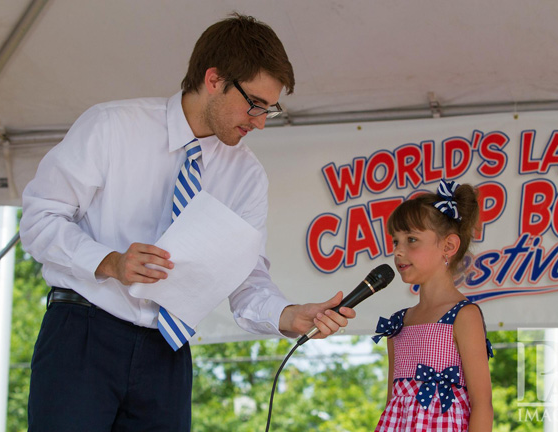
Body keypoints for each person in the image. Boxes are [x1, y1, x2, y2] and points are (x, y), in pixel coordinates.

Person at [20, 13, 356, 432]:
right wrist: (108, 261)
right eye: (254, 104)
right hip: (84, 334)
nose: (260, 121)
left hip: (168, 349)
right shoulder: (112, 127)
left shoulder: (247, 176)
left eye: (271, 109)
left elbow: (246, 277)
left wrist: (288, 315)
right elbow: (38, 218)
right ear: (214, 79)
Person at [371, 179, 494, 431]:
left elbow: (483, 405)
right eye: (396, 241)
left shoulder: (463, 315)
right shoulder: (398, 323)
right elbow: (392, 403)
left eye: (411, 240)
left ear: (448, 246)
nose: (398, 251)